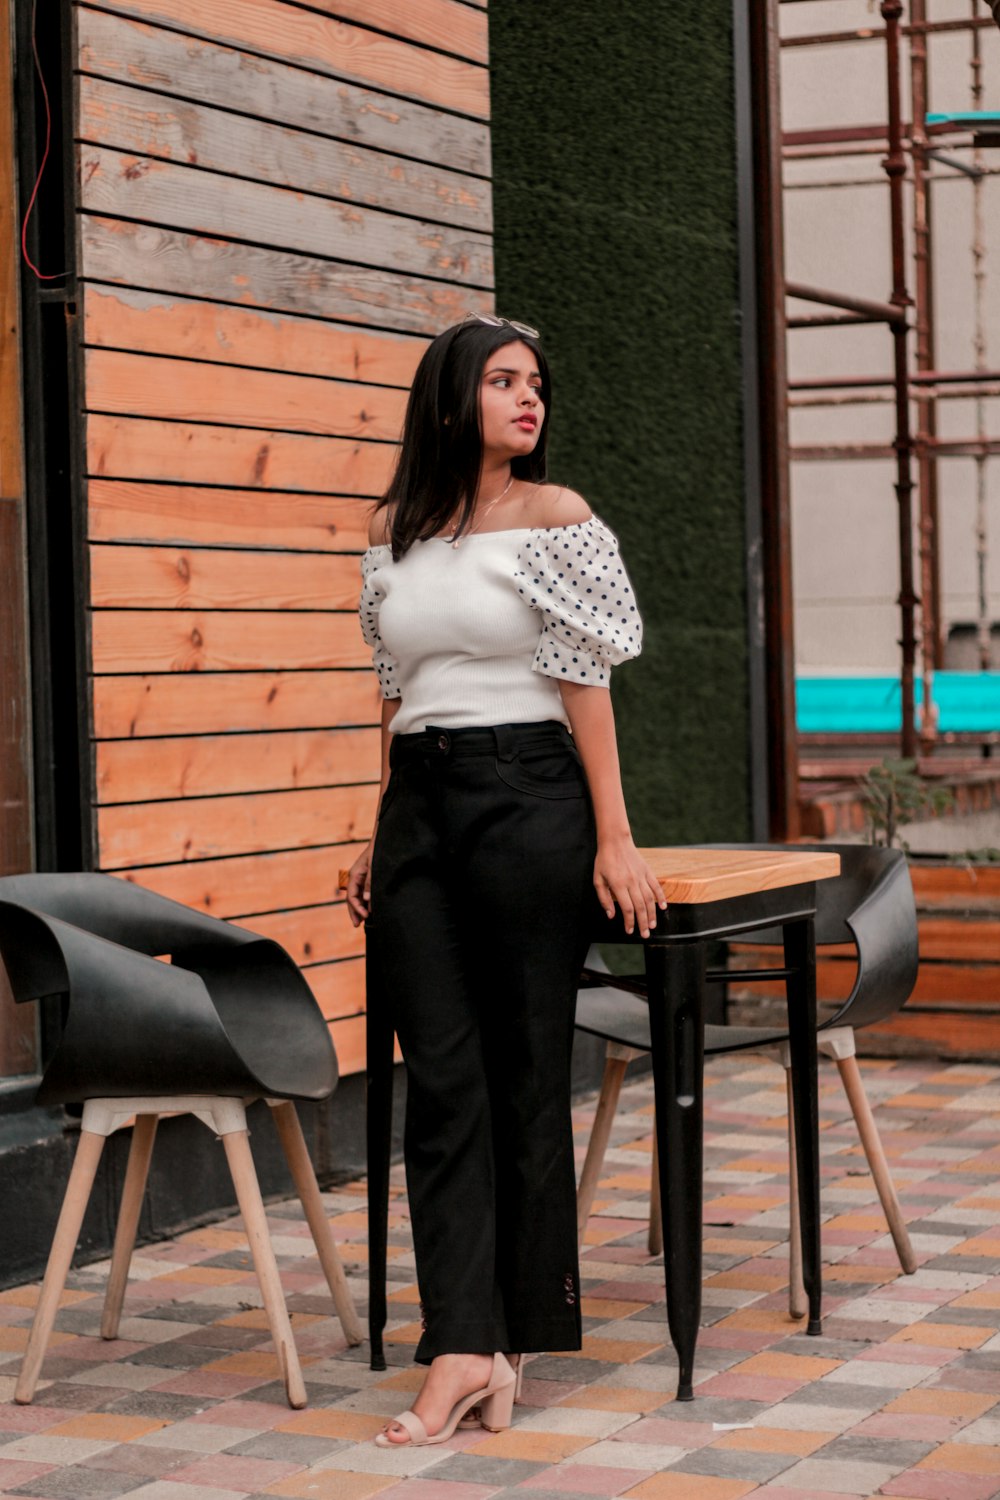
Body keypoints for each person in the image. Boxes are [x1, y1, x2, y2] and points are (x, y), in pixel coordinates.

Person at [346, 312, 664, 1448]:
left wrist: (613, 838)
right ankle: (464, 1339)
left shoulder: (556, 517)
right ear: (449, 398)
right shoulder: (397, 530)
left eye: (536, 383)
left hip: (530, 796)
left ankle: (499, 1340)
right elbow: (395, 684)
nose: (528, 400)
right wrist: (372, 826)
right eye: (502, 382)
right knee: (441, 1081)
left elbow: (584, 683)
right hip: (420, 806)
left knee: (526, 1072)